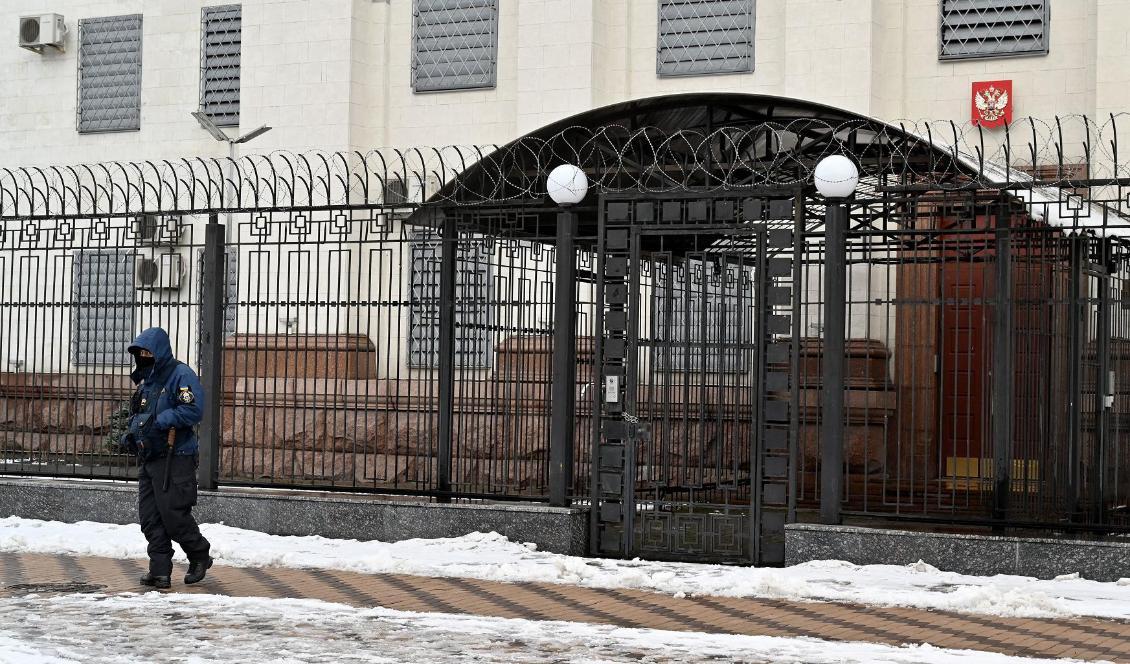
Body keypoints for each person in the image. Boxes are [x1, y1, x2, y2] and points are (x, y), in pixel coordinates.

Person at [120, 327, 213, 589]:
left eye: (149, 352)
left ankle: (199, 555)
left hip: (176, 455)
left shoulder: (180, 375)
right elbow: (140, 414)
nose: (145, 356)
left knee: (173, 515)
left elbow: (193, 409)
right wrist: (132, 434)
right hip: (150, 456)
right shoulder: (147, 379)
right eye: (141, 353)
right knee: (150, 518)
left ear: (160, 352)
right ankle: (159, 571)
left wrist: (163, 421)